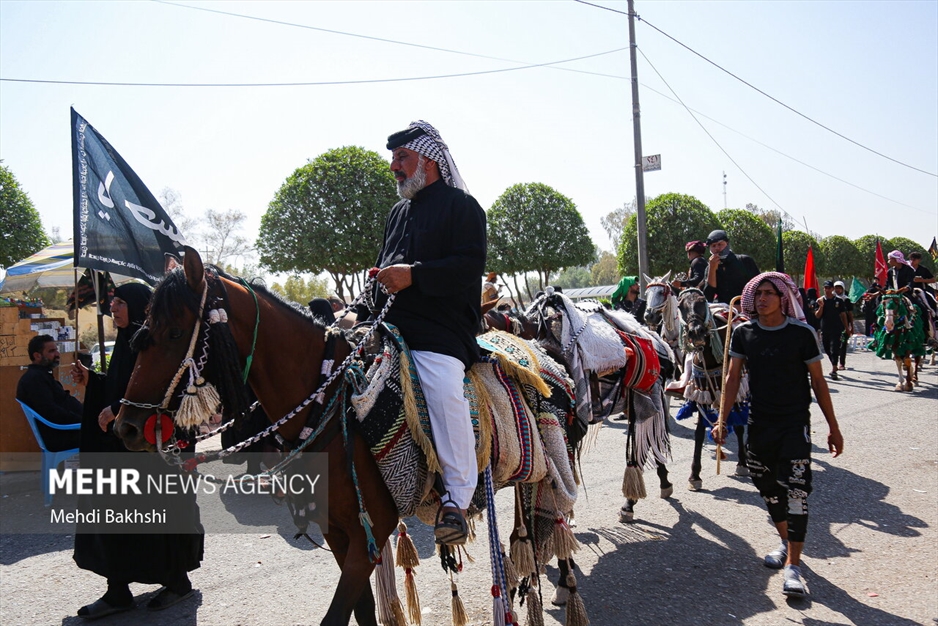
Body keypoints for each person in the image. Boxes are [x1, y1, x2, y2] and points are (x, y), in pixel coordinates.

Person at [373, 120, 486, 545]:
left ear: (429, 160)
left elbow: (467, 268)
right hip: (390, 325)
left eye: (402, 157)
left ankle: (457, 498)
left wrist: (413, 276)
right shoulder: (397, 213)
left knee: (440, 387)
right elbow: (388, 265)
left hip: (440, 331)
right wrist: (379, 280)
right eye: (394, 159)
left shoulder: (463, 207)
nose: (394, 167)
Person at [70, 283, 204, 618]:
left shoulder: (153, 343)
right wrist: (94, 382)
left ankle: (177, 581)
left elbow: (162, 389)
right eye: (112, 301)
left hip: (153, 452)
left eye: (119, 302)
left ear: (140, 306)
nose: (112, 307)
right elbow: (120, 384)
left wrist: (116, 408)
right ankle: (118, 590)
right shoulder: (126, 342)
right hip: (121, 452)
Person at [716, 272, 843, 599]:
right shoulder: (744, 333)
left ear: (783, 298)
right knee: (769, 490)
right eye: (758, 295)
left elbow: (818, 382)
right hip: (760, 425)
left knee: (797, 492)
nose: (762, 299)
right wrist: (722, 419)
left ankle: (795, 568)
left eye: (769, 293)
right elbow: (732, 378)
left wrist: (833, 427)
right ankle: (786, 542)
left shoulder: (802, 333)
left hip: (794, 425)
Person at [16, 334, 82, 451]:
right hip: (60, 435)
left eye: (57, 350)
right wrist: (82, 420)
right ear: (37, 356)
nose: (57, 354)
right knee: (109, 437)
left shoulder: (42, 375)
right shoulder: (34, 380)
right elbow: (51, 412)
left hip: (66, 430)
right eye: (51, 351)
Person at [703, 229, 760, 305]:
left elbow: (758, 288)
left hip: (746, 309)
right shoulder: (709, 268)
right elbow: (708, 297)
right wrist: (712, 270)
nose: (717, 248)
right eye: (713, 246)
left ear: (727, 243)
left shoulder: (744, 261)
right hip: (722, 310)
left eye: (720, 244)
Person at [814, 280, 850, 380]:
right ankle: (834, 362)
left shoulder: (838, 301)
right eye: (825, 288)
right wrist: (821, 307)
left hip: (837, 328)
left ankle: (834, 369)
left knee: (834, 348)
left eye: (829, 288)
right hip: (825, 328)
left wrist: (847, 328)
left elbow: (843, 315)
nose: (827, 290)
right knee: (826, 348)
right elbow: (817, 316)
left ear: (832, 289)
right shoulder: (820, 301)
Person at [833, 281, 855, 371]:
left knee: (843, 344)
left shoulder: (846, 300)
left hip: (844, 325)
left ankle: (842, 363)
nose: (837, 290)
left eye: (839, 288)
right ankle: (834, 363)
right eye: (836, 288)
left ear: (842, 289)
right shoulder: (832, 299)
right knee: (835, 345)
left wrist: (851, 326)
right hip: (834, 324)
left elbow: (850, 313)